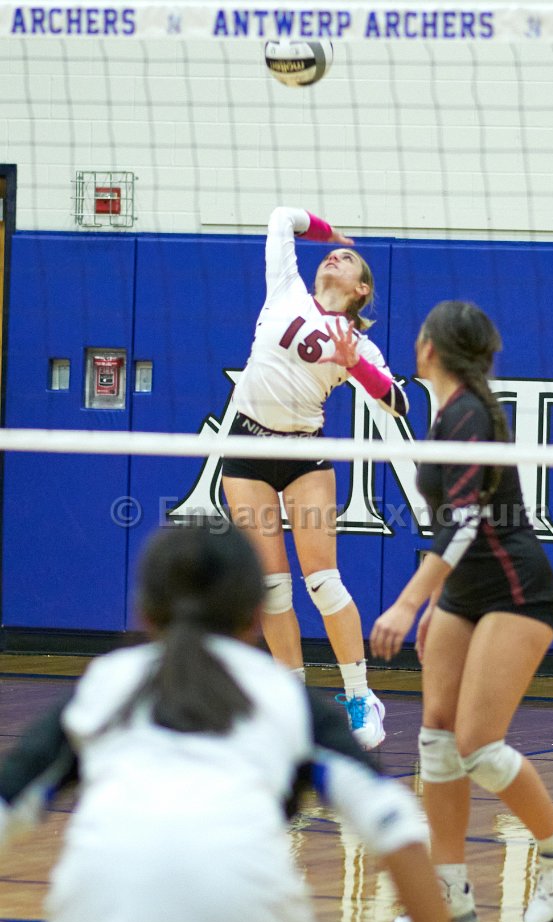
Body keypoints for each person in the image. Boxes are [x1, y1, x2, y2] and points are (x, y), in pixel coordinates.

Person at [0, 523, 470, 922]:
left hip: (103, 913)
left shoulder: (102, 685)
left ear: (144, 609)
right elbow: (397, 831)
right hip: (244, 909)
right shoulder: (283, 696)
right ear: (256, 612)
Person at [369, 300, 553, 922]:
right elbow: (455, 524)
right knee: (436, 738)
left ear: (428, 349)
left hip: (516, 591)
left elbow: (465, 523)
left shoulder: (468, 413)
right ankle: (450, 895)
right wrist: (443, 602)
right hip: (465, 593)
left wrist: (410, 601)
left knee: (477, 745)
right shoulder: (449, 413)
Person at [222, 206, 409, 751]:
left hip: (304, 455)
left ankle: (360, 695)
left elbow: (398, 403)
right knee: (272, 589)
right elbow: (281, 218)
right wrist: (328, 232)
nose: (334, 258)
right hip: (246, 447)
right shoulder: (286, 289)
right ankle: (293, 706)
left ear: (361, 289)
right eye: (332, 254)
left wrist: (355, 365)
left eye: (347, 260)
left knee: (323, 581)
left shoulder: (358, 344)